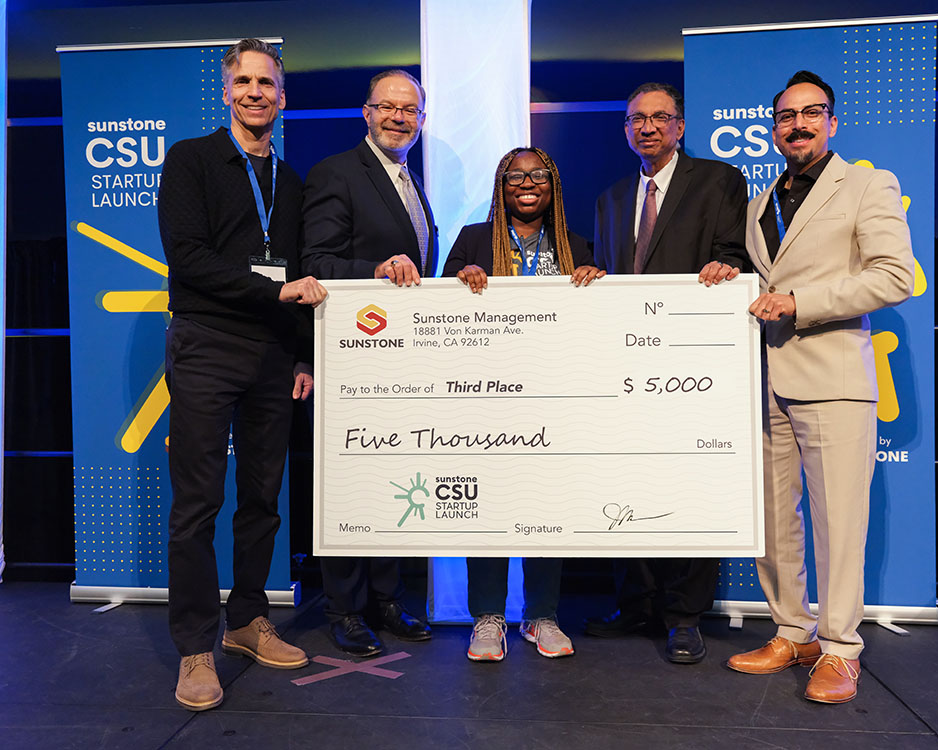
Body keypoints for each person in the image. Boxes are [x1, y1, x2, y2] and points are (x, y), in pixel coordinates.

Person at [726, 71, 914, 704]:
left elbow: (895, 278)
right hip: (767, 380)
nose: (797, 124)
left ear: (831, 122)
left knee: (838, 521)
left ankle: (840, 648)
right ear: (772, 126)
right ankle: (791, 630)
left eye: (811, 113)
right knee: (774, 520)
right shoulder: (760, 201)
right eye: (785, 116)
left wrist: (801, 301)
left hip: (834, 377)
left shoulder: (866, 183)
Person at [159, 38, 327, 711]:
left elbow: (302, 272)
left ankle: (248, 621)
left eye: (268, 83)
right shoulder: (192, 160)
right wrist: (277, 295)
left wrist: (304, 355)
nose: (257, 92)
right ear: (226, 92)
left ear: (282, 98)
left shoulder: (292, 180)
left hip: (271, 353)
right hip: (205, 343)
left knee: (263, 497)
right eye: (245, 82)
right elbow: (189, 259)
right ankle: (195, 650)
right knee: (197, 504)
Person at [587, 82, 750, 664]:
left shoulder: (719, 180)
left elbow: (736, 254)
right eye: (636, 119)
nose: (648, 127)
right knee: (627, 484)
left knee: (689, 488)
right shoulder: (609, 199)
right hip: (626, 367)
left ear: (680, 127)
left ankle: (684, 615)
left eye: (660, 118)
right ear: (626, 130)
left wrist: (723, 267)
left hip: (694, 363)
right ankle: (637, 602)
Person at [443, 146, 604, 661]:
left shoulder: (575, 244)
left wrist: (599, 284)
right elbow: (433, 315)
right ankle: (488, 617)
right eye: (515, 176)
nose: (527, 183)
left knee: (547, 505)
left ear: (553, 184)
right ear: (501, 186)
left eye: (538, 175)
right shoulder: (472, 239)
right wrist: (458, 284)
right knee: (485, 505)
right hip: (482, 397)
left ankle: (541, 616)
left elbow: (600, 323)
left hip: (554, 397)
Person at [302, 69, 435, 657]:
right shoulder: (338, 172)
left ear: (422, 120)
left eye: (409, 110)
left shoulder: (411, 181)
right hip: (351, 359)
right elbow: (317, 263)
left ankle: (386, 600)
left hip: (399, 364)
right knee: (349, 487)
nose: (398, 117)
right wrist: (376, 271)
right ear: (366, 113)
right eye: (387, 107)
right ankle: (345, 609)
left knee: (394, 485)